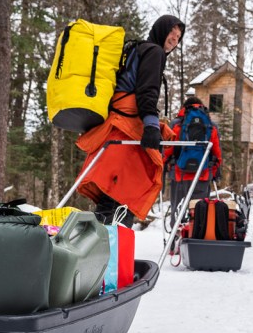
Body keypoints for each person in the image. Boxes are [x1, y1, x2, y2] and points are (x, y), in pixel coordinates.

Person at [74, 15, 185, 225]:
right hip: (127, 132)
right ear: (161, 30)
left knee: (110, 201)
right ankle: (110, 255)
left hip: (113, 129)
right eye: (172, 33)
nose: (175, 40)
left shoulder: (136, 49)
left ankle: (101, 252)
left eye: (179, 37)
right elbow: (147, 93)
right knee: (119, 202)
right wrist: (152, 126)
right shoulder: (154, 52)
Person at [164, 96, 222, 225]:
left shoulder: (176, 124)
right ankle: (196, 241)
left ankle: (174, 242)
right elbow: (216, 153)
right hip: (202, 176)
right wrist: (214, 171)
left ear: (184, 108)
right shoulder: (211, 126)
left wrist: (167, 166)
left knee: (177, 211)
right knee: (199, 213)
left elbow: (168, 150)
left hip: (179, 175)